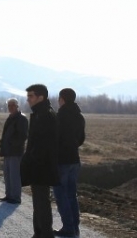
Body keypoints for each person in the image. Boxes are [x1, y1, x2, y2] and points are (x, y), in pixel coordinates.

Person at [20, 84, 59, 238]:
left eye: (31, 96)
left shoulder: (47, 115)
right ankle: (39, 233)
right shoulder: (38, 114)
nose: (28, 99)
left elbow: (44, 145)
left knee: (42, 203)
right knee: (38, 202)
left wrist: (32, 160)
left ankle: (46, 234)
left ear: (40, 97)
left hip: (42, 166)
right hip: (37, 166)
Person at [52, 88, 86, 238]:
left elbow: (54, 138)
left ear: (62, 99)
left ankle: (68, 228)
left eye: (59, 98)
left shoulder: (60, 116)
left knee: (61, 195)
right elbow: (81, 139)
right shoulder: (79, 117)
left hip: (62, 160)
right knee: (72, 195)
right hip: (74, 159)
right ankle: (75, 227)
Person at [0, 98, 28, 204]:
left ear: (17, 106)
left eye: (13, 105)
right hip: (7, 151)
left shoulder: (21, 118)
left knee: (14, 175)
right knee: (7, 175)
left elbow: (23, 136)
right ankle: (9, 195)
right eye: (9, 106)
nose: (10, 107)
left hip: (15, 152)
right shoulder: (10, 118)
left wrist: (12, 144)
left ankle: (15, 197)